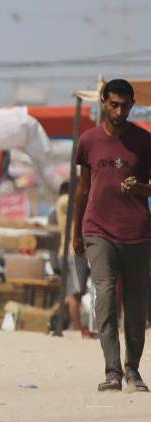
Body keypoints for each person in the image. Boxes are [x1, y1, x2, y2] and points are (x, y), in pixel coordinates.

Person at [72, 79, 151, 393]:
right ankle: (112, 371)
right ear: (103, 102)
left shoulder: (144, 142)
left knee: (135, 304)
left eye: (125, 105)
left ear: (132, 106)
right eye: (113, 104)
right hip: (98, 230)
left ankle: (134, 370)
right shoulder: (88, 141)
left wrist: (142, 189)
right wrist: (77, 233)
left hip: (137, 233)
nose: (119, 111)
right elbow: (83, 189)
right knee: (104, 298)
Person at [55, 180, 95, 338]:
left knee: (73, 293)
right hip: (72, 252)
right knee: (75, 293)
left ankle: (67, 323)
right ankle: (78, 328)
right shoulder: (64, 200)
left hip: (74, 251)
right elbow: (78, 200)